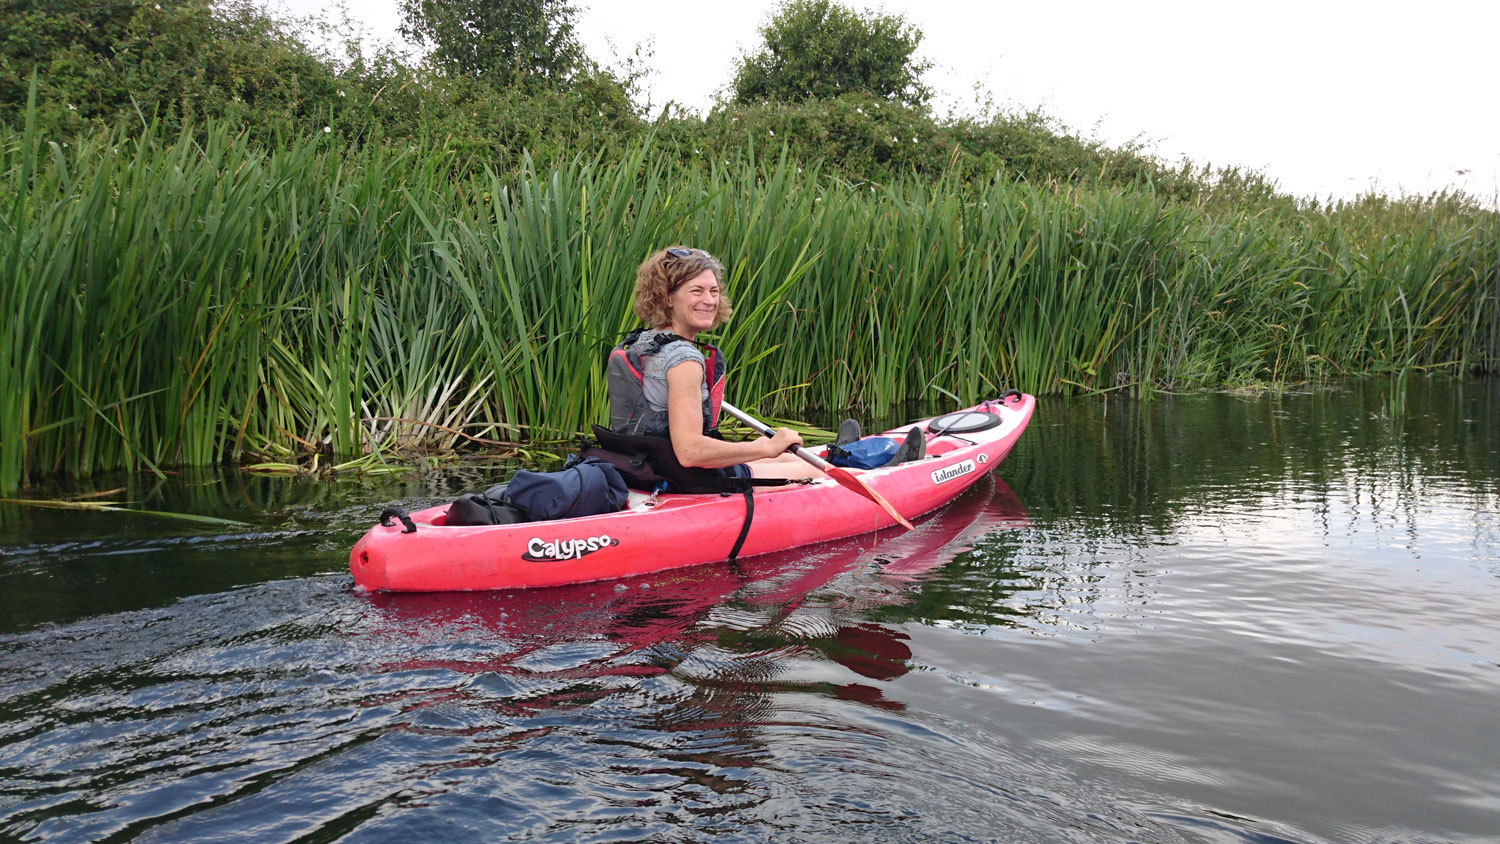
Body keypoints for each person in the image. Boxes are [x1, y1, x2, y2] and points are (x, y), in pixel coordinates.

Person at [608, 247, 824, 481]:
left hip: (643, 467)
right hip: (681, 477)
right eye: (696, 291)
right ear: (667, 297)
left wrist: (764, 448)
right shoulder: (684, 360)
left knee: (790, 458)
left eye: (713, 291)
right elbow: (690, 452)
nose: (709, 300)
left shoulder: (642, 341)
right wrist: (765, 448)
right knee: (817, 472)